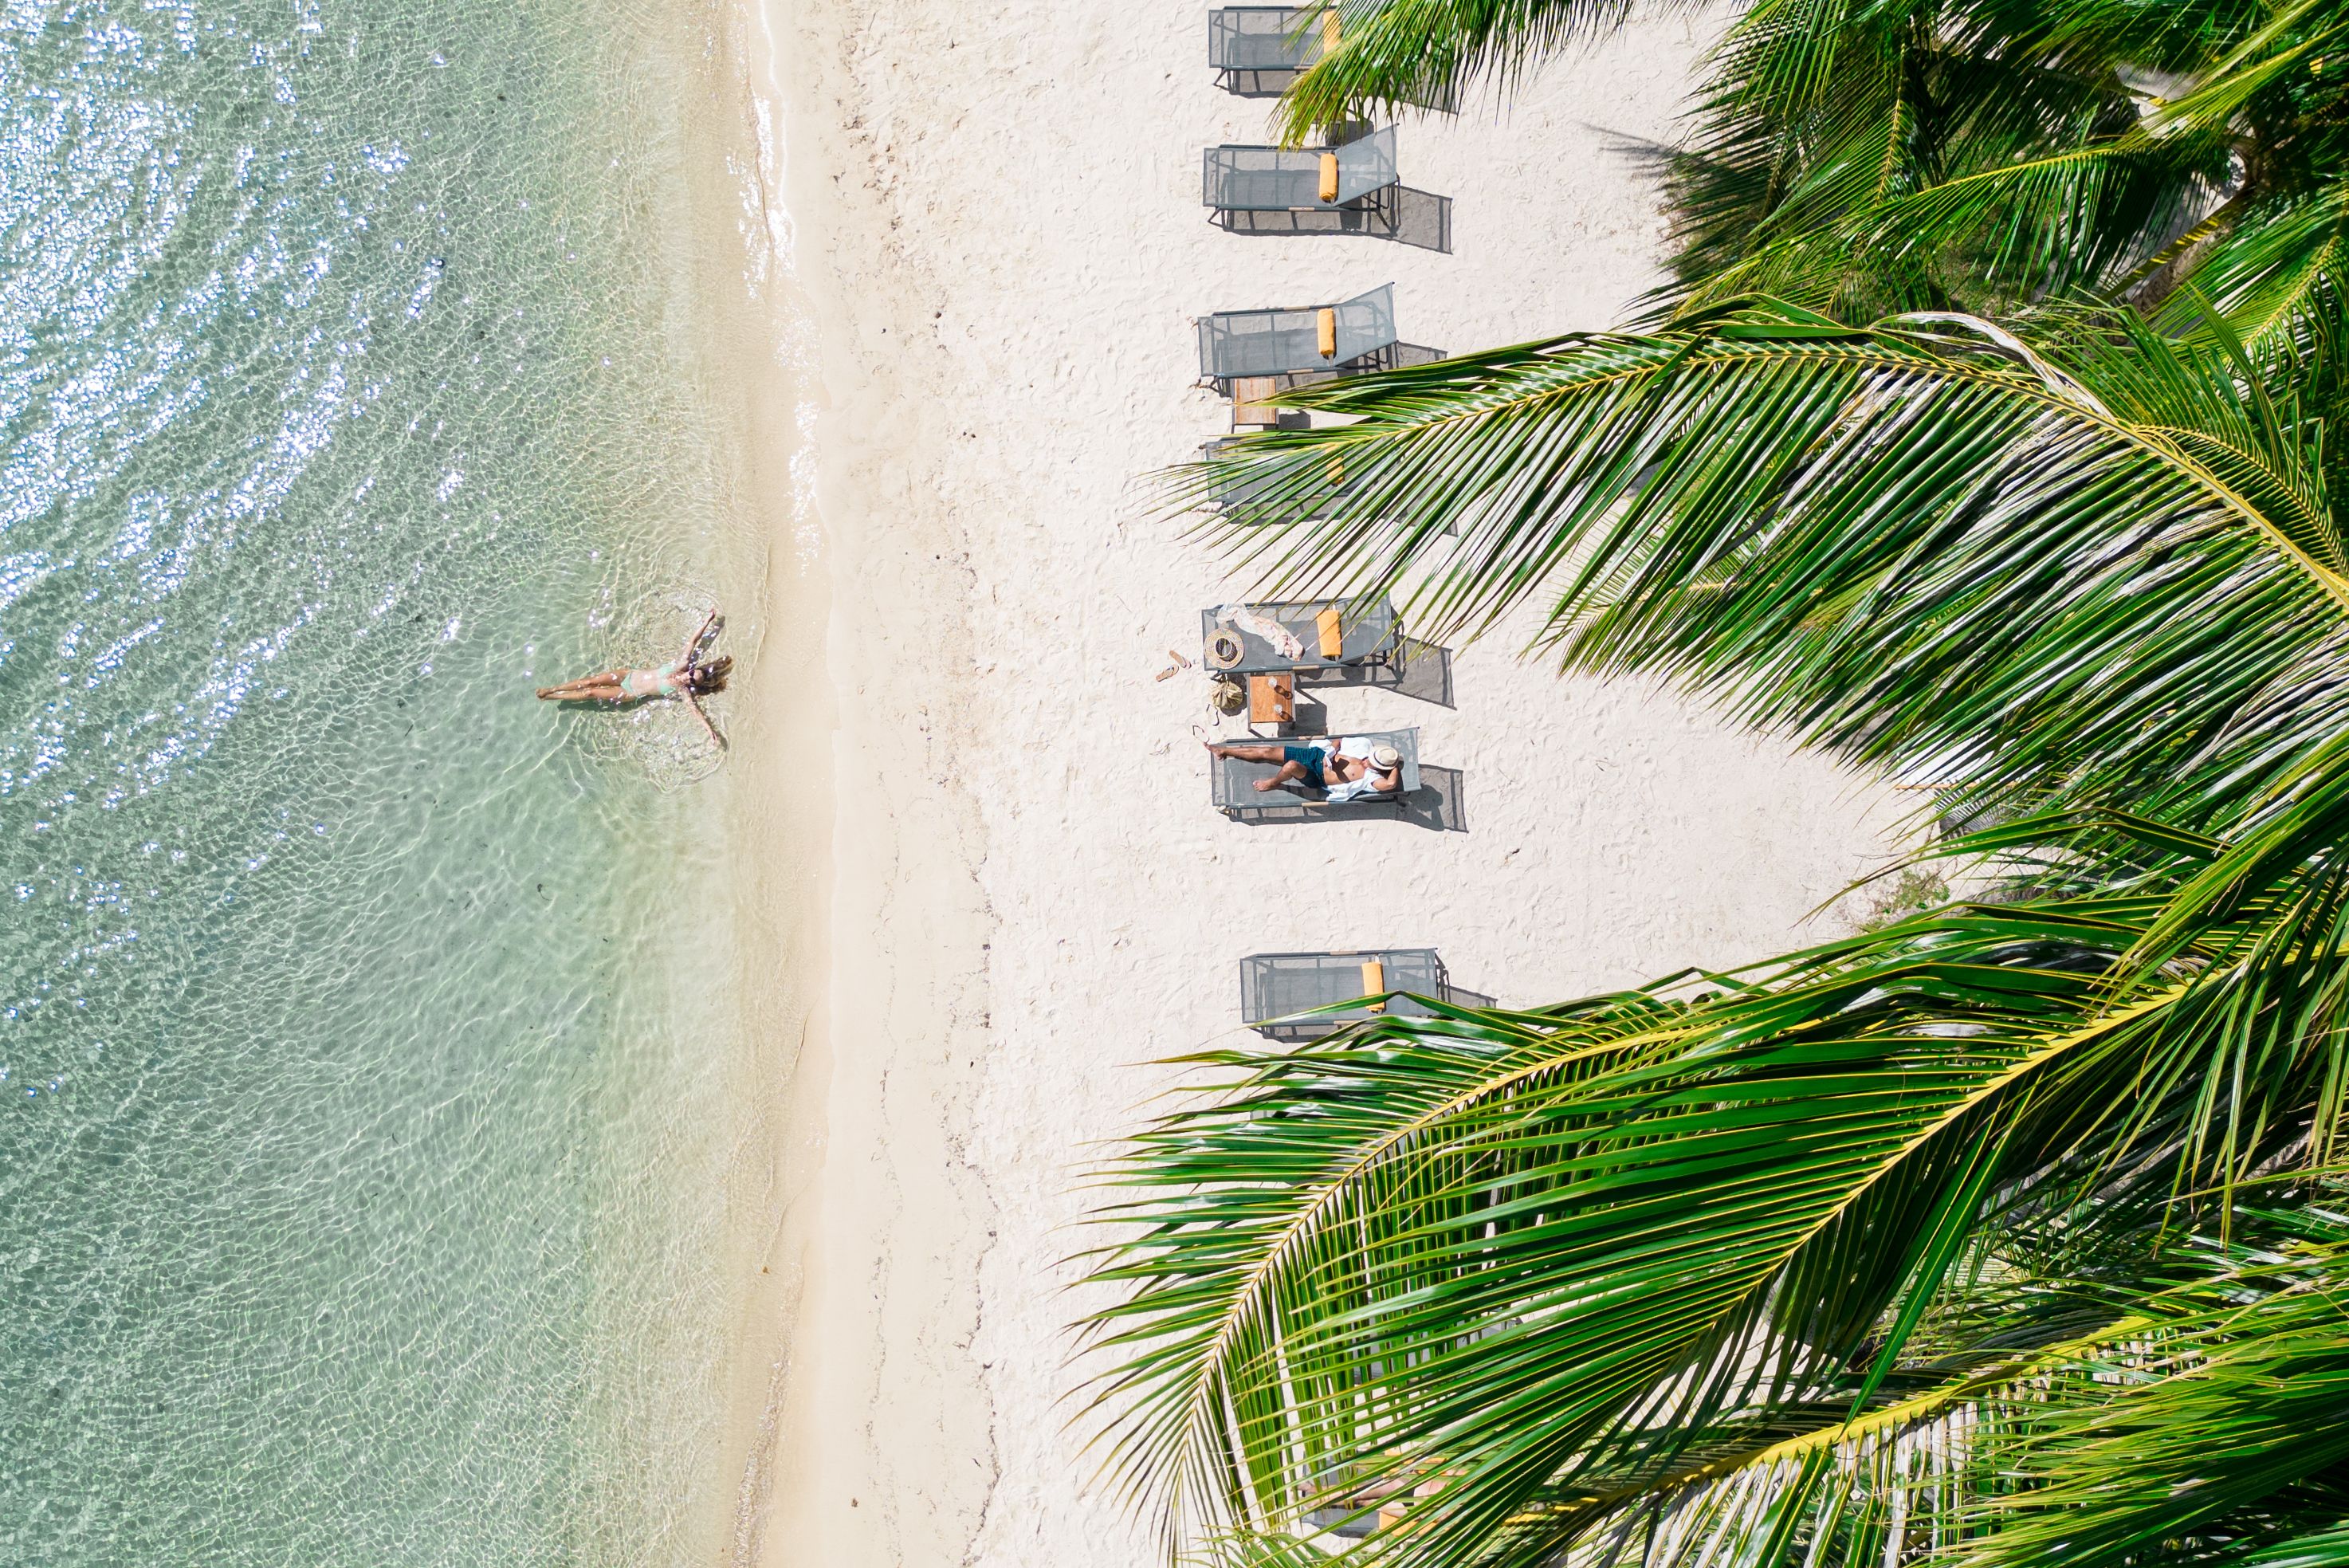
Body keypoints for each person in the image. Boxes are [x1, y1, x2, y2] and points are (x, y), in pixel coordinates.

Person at [536, 609, 730, 747]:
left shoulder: (682, 691)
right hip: (628, 675)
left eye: (692, 680)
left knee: (590, 692)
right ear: (690, 670)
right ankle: (552, 689)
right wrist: (708, 621)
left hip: (630, 692)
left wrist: (709, 730)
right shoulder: (680, 665)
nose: (688, 678)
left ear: (694, 685)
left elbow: (695, 712)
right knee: (589, 681)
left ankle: (554, 697)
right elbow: (693, 642)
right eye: (691, 674)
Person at [1205, 735, 1404, 799]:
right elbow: (1338, 740)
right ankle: (1224, 751)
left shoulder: (1371, 777)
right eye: (1370, 758)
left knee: (1291, 766)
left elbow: (1390, 785)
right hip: (1315, 755)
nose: (1365, 761)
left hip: (1316, 776)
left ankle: (1273, 783)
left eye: (1372, 763)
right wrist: (1332, 752)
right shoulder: (1365, 746)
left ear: (1380, 768)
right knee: (1267, 752)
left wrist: (1394, 766)